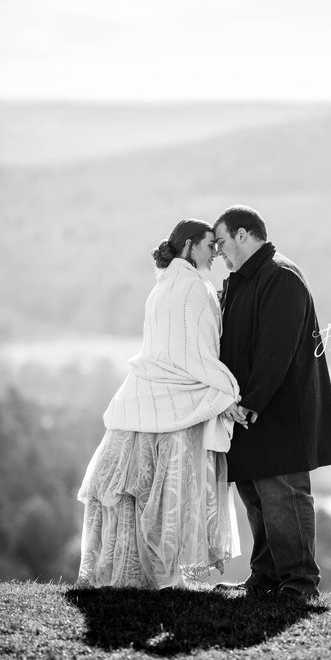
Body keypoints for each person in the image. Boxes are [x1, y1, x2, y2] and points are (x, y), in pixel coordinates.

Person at [77, 219, 245, 589]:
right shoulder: (192, 289)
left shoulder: (164, 285)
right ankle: (166, 576)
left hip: (143, 398)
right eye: (208, 245)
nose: (215, 252)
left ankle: (134, 576)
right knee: (172, 494)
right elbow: (195, 358)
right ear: (188, 246)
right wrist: (229, 392)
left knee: (139, 494)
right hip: (175, 404)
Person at [214, 205, 331, 600]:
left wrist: (250, 402)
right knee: (257, 497)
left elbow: (277, 349)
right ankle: (266, 577)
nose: (219, 252)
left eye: (220, 242)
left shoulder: (281, 277)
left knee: (284, 496)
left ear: (242, 235)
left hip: (278, 411)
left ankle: (300, 584)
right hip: (249, 410)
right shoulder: (245, 278)